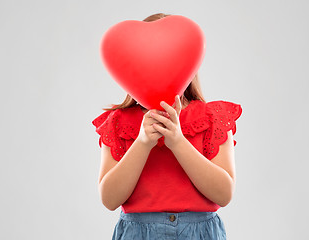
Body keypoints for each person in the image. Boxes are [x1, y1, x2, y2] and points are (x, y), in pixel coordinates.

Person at [92, 13, 243, 240]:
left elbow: (223, 193)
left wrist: (178, 142)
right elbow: (110, 199)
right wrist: (142, 143)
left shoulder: (213, 118)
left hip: (200, 233)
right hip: (138, 233)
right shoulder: (118, 123)